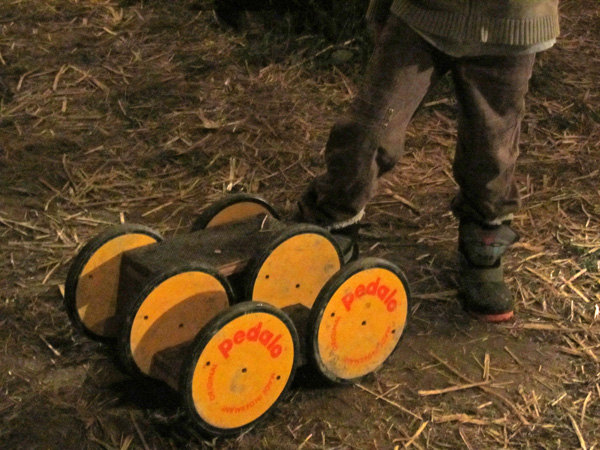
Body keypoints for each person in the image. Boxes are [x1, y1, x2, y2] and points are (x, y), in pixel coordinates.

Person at [295, 0, 560, 322]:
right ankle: (331, 222)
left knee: (492, 148)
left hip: (512, 28)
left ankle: (483, 244)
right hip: (423, 16)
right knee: (370, 130)